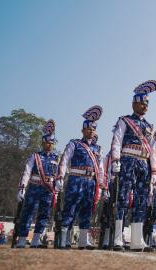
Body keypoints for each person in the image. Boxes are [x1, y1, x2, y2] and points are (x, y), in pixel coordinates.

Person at [110, 81, 156, 252]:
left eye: (147, 103)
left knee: (141, 201)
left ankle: (138, 240)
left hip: (143, 164)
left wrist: (154, 170)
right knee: (122, 198)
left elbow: (152, 149)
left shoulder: (149, 126)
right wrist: (116, 160)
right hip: (128, 160)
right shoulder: (125, 121)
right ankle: (118, 239)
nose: (145, 105)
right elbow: (117, 140)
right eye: (142, 102)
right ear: (134, 104)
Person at [58, 106, 105, 250]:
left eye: (93, 129)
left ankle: (84, 241)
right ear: (83, 130)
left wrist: (102, 184)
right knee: (70, 208)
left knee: (87, 210)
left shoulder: (98, 149)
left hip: (90, 182)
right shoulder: (75, 144)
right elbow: (64, 159)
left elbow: (101, 167)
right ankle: (64, 239)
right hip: (75, 179)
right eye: (88, 129)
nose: (91, 131)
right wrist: (60, 176)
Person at [15, 120, 59, 248]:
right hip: (34, 186)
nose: (49, 145)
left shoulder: (56, 158)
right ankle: (22, 239)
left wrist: (57, 189)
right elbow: (26, 172)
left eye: (51, 143)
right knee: (28, 212)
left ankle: (36, 239)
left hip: (48, 189)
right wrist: (22, 187)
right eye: (47, 143)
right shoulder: (35, 156)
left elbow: (57, 175)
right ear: (42, 143)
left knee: (44, 214)